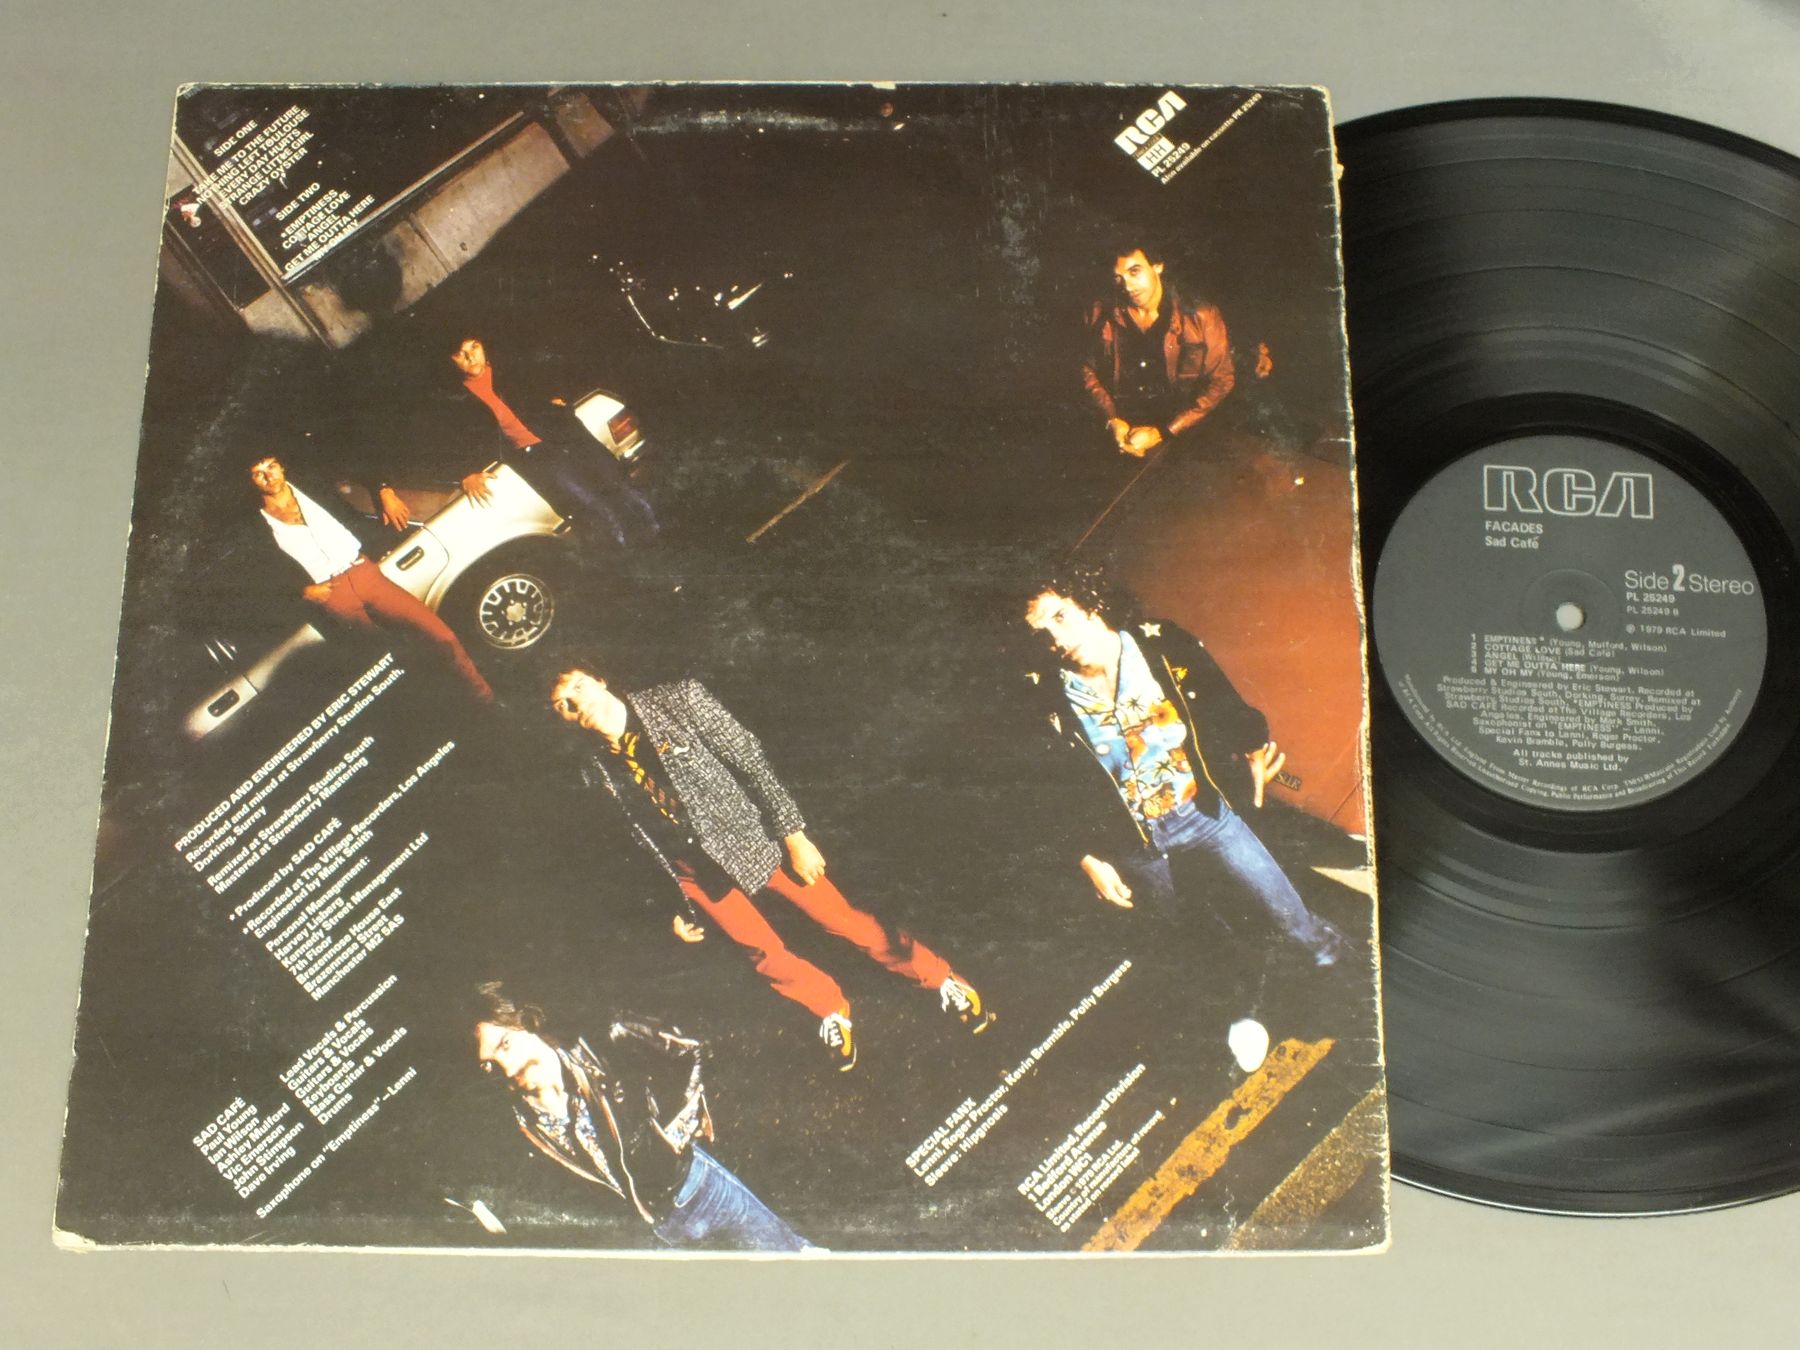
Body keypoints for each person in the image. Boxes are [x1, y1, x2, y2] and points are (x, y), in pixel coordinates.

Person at [549, 664, 995, 1070]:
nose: (577, 704)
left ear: (601, 679)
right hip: (694, 872)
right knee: (762, 952)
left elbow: (751, 761)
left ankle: (938, 977)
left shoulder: (676, 700)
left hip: (756, 840)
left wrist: (793, 835)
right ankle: (828, 1009)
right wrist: (674, 904)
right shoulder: (591, 769)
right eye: (562, 704)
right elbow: (633, 845)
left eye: (579, 687)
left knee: (842, 920)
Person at [1021, 565, 1346, 966]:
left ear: (1089, 602)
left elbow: (1227, 704)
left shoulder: (1160, 643)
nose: (1057, 639)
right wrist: (1087, 858)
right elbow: (1049, 789)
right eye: (1042, 633)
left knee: (1295, 924)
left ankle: (1342, 977)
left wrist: (1253, 752)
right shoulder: (1044, 695)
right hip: (1134, 846)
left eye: (1060, 616)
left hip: (1206, 815)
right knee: (1207, 950)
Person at [467, 981, 812, 1251]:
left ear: (530, 1021)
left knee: (793, 1261)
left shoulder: (603, 1039)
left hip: (698, 1192)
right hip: (647, 1236)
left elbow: (689, 1051)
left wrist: (676, 1130)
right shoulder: (518, 1122)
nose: (506, 1068)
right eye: (489, 1065)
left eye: (505, 1045)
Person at [371, 333, 657, 551]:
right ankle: (630, 560)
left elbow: (559, 368)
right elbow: (443, 444)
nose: (471, 357)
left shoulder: (513, 365)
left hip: (569, 436)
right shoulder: (452, 400)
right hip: (535, 456)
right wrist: (464, 474)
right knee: (591, 509)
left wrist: (561, 397)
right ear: (451, 361)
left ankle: (658, 542)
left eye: (474, 347)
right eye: (460, 354)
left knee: (620, 487)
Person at [247, 454, 493, 702]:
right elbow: (260, 573)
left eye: (272, 466)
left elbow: (362, 459)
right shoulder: (258, 523)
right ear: (252, 481)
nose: (268, 476)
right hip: (334, 596)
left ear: (282, 467)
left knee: (441, 636)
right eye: (259, 473)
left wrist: (384, 491)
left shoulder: (312, 484)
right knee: (388, 665)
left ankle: (486, 701)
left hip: (364, 572)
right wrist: (302, 591)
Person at [1080, 241, 1235, 459]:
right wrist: (1111, 419)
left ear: (1158, 266)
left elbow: (1221, 380)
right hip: (1121, 429)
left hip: (1184, 428)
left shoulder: (1200, 315)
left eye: (1135, 272)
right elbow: (1086, 368)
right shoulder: (1098, 312)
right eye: (1118, 278)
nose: (1128, 286)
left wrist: (1164, 431)